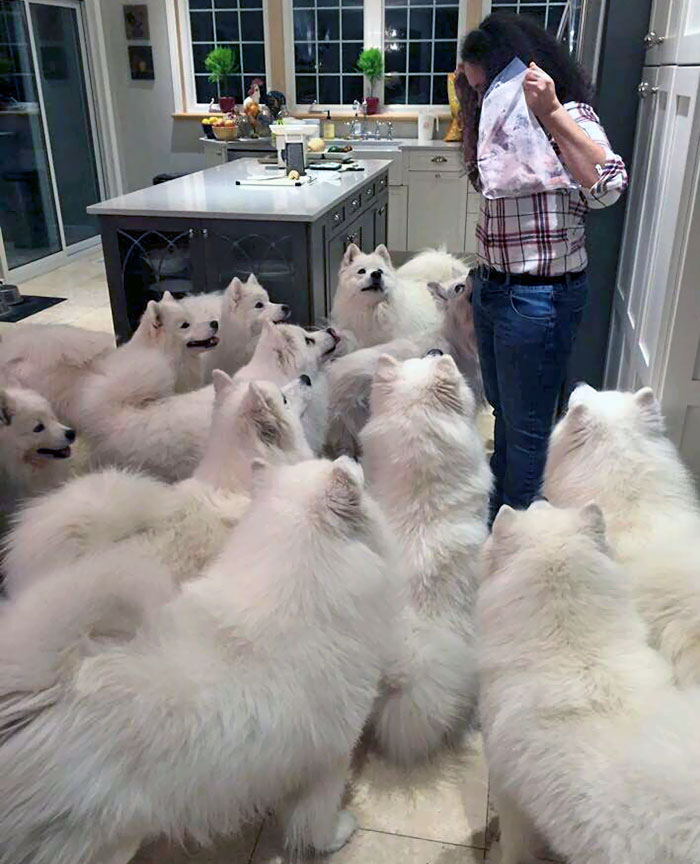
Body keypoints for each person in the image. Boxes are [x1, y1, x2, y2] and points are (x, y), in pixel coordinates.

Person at [456, 12, 628, 525]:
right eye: (474, 90)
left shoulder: (567, 113)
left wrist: (549, 111)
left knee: (527, 428)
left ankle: (519, 533)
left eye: (485, 86)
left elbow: (609, 186)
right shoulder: (495, 125)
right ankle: (501, 514)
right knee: (504, 415)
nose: (481, 98)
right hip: (493, 289)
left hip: (538, 298)